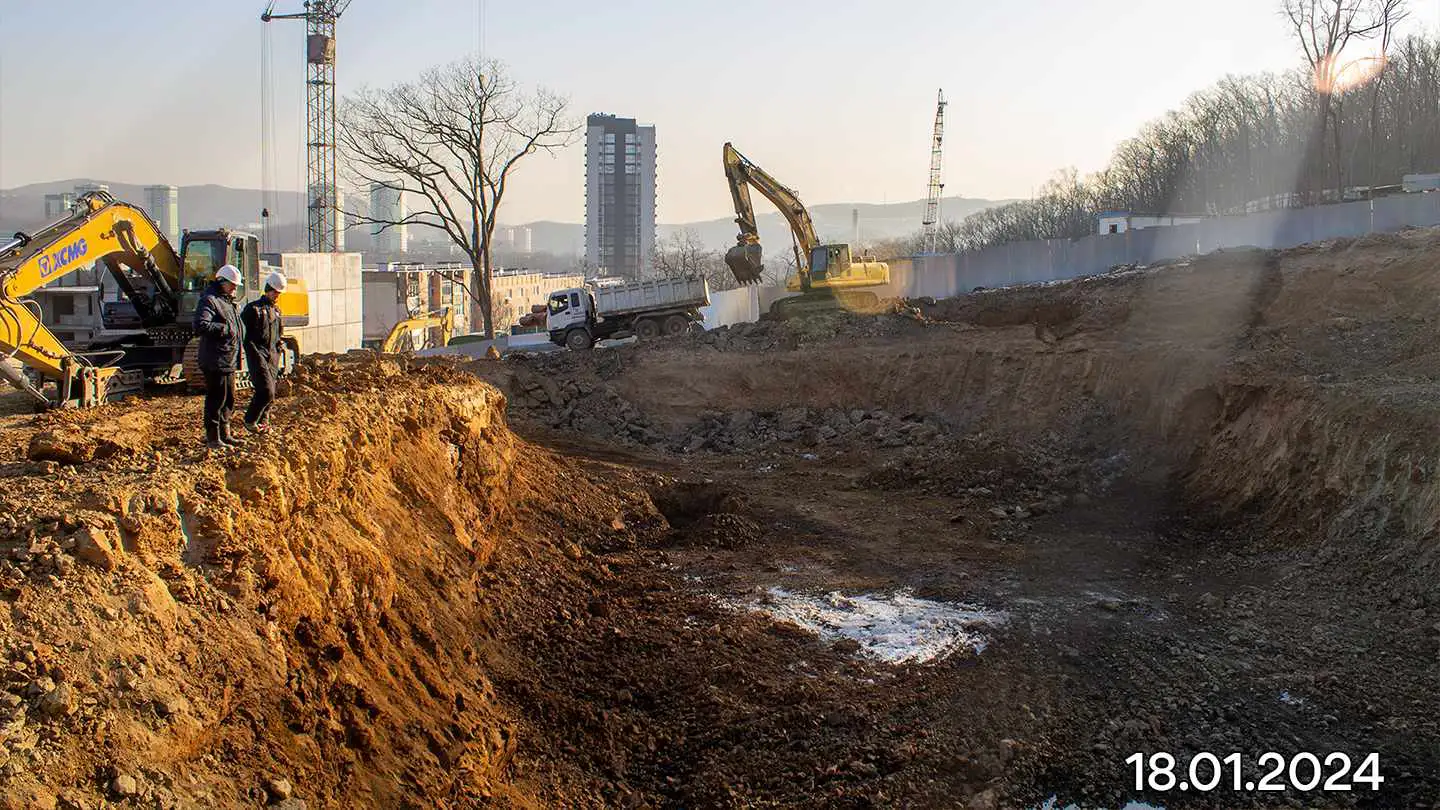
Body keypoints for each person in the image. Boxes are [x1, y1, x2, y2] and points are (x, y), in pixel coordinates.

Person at [193, 264, 245, 449]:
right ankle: (213, 438)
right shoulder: (210, 300)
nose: (234, 288)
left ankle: (225, 433)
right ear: (221, 281)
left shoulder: (227, 301)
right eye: (232, 284)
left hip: (228, 358)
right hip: (215, 359)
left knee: (229, 398)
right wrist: (225, 329)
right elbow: (200, 325)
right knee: (217, 398)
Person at [241, 271, 287, 434]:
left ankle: (263, 423)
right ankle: (250, 420)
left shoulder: (277, 311)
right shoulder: (253, 309)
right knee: (266, 391)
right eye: (275, 292)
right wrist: (255, 354)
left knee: (271, 394)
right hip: (257, 355)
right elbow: (245, 336)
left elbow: (277, 334)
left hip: (272, 355)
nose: (276, 296)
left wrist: (279, 347)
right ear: (268, 289)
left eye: (278, 293)